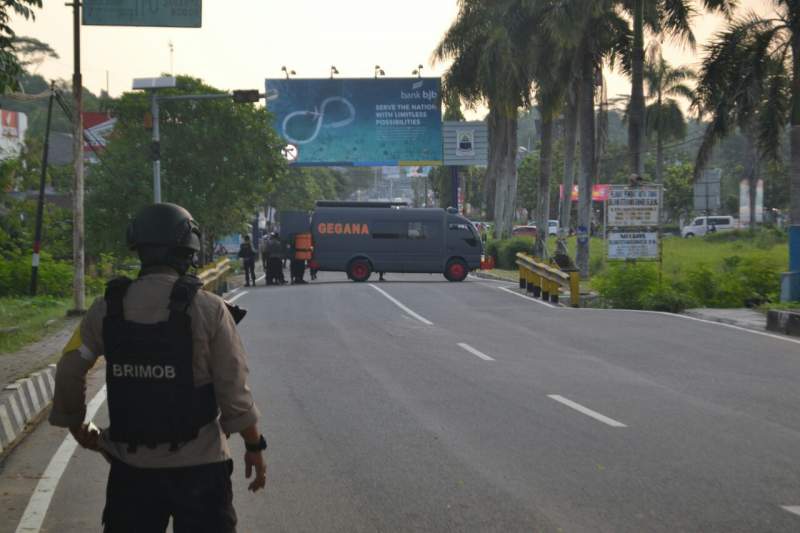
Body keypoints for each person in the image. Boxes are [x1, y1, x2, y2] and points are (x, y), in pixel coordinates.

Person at [49, 203, 267, 533]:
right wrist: (254, 447)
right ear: (188, 248)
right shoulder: (209, 309)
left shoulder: (107, 307)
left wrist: (79, 427)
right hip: (201, 471)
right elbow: (234, 394)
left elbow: (69, 369)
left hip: (131, 471)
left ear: (138, 248)